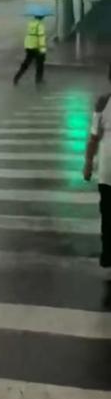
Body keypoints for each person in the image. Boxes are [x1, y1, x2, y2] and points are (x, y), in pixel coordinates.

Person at [83, 67, 111, 267]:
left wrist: (88, 164)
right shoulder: (102, 103)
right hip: (107, 173)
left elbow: (94, 138)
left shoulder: (103, 103)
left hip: (107, 173)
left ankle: (108, 253)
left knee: (108, 215)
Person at [13, 14, 46, 85]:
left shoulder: (31, 23)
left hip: (28, 45)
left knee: (26, 63)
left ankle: (17, 77)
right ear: (42, 17)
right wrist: (42, 49)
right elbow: (41, 37)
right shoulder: (40, 25)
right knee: (40, 64)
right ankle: (38, 80)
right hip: (36, 46)